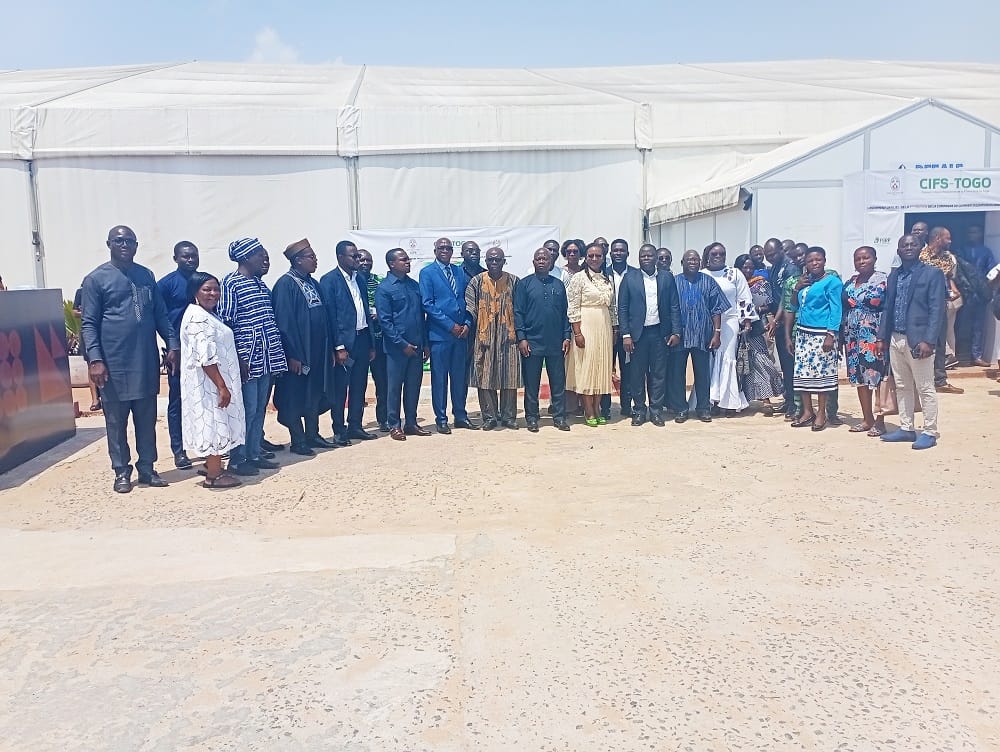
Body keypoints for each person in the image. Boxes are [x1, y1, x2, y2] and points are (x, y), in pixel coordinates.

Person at [80, 225, 178, 493]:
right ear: (109, 244)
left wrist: (172, 343)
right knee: (116, 422)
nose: (124, 245)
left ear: (136, 246)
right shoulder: (96, 279)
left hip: (145, 361)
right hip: (113, 364)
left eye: (130, 241)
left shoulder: (146, 276)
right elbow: (89, 323)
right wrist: (95, 360)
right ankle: (121, 471)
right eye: (119, 241)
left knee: (146, 421)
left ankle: (147, 468)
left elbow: (160, 314)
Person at [218, 238, 288, 475]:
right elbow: (226, 324)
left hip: (266, 357)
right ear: (246, 258)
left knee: (259, 408)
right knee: (245, 409)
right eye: (261, 257)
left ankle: (254, 453)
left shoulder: (260, 285)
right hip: (246, 358)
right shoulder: (231, 284)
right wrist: (238, 358)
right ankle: (237, 459)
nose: (265, 261)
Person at [876, 234, 945, 450]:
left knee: (925, 387)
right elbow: (887, 307)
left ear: (921, 248)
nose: (908, 248)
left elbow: (937, 310)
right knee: (902, 385)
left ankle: (929, 431)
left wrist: (929, 340)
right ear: (898, 251)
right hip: (896, 337)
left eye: (913, 244)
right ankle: (906, 428)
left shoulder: (932, 274)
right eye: (904, 245)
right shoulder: (894, 275)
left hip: (919, 340)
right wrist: (881, 337)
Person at [179, 272, 245, 489]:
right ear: (195, 292)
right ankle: (214, 476)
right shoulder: (198, 318)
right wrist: (222, 386)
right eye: (207, 289)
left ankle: (212, 467)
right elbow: (205, 357)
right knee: (214, 423)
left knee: (216, 421)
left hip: (213, 380)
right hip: (209, 383)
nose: (213, 294)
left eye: (216, 289)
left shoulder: (206, 314)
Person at [271, 239, 336, 456]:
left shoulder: (313, 283)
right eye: (311, 257)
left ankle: (312, 434)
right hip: (299, 353)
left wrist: (329, 349)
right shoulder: (285, 284)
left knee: (314, 394)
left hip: (317, 351)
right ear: (298, 260)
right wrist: (292, 354)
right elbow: (284, 323)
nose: (315, 261)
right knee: (295, 396)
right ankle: (298, 440)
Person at [319, 240, 376, 445]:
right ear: (340, 257)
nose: (358, 259)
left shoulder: (359, 278)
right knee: (340, 388)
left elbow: (365, 311)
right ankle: (339, 430)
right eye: (354, 256)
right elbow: (331, 317)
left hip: (362, 339)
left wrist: (371, 344)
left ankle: (355, 426)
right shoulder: (329, 281)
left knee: (359, 386)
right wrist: (338, 346)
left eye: (358, 255)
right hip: (344, 344)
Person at [419, 237, 478, 434]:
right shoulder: (427, 273)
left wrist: (467, 323)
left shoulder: (458, 271)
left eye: (448, 248)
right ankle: (441, 419)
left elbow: (467, 299)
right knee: (440, 379)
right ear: (435, 251)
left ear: (453, 251)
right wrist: (450, 325)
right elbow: (427, 304)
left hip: (461, 335)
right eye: (441, 248)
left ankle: (460, 416)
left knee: (459, 378)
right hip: (440, 335)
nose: (445, 250)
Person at [618, 243, 680, 426]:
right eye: (643, 256)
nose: (646, 258)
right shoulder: (630, 278)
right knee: (637, 374)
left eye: (649, 255)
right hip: (638, 335)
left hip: (660, 333)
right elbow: (622, 308)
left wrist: (676, 331)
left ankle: (656, 411)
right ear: (638, 258)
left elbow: (674, 306)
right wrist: (625, 335)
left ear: (656, 258)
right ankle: (639, 410)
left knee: (658, 374)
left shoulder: (666, 278)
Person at [784, 247, 843, 431]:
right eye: (810, 261)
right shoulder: (805, 281)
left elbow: (836, 309)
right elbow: (793, 306)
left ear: (824, 260)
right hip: (803, 333)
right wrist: (797, 288)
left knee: (821, 376)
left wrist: (831, 335)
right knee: (803, 374)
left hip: (822, 334)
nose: (814, 263)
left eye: (818, 259)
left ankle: (822, 413)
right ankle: (808, 411)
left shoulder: (832, 282)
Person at [514, 248, 572, 432]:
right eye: (538, 259)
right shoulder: (524, 284)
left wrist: (567, 336)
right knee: (532, 383)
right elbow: (518, 313)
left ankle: (559, 417)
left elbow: (565, 313)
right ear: (533, 262)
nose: (541, 261)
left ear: (550, 262)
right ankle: (532, 417)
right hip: (532, 342)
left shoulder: (559, 285)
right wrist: (522, 338)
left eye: (545, 259)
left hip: (556, 342)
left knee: (558, 382)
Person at [376, 248, 430, 441]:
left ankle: (411, 423)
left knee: (413, 386)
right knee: (394, 388)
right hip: (396, 350)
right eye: (403, 259)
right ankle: (394, 425)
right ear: (392, 264)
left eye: (408, 259)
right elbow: (385, 322)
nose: (408, 262)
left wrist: (425, 343)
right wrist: (402, 344)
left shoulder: (413, 285)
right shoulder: (384, 289)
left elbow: (421, 317)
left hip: (416, 346)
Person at [464, 248, 521, 429]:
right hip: (484, 338)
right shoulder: (476, 282)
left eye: (497, 260)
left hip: (508, 338)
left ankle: (509, 417)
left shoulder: (514, 281)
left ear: (504, 261)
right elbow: (470, 309)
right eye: (490, 260)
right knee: (484, 377)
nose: (494, 263)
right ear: (486, 261)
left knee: (510, 377)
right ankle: (489, 417)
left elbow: (521, 310)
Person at [670, 250, 729, 422]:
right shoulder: (674, 282)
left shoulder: (708, 281)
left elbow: (716, 309)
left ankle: (703, 408)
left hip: (703, 335)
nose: (692, 262)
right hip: (680, 336)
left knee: (703, 374)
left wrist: (717, 333)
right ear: (682, 263)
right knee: (677, 374)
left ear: (700, 262)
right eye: (689, 259)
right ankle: (681, 409)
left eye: (696, 259)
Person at [156, 241, 200, 469]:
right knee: (178, 402)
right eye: (186, 256)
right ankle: (179, 450)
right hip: (179, 352)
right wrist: (172, 347)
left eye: (194, 256)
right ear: (175, 258)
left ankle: (206, 445)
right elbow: (160, 317)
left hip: (202, 350)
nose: (191, 260)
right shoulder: (166, 284)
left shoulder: (203, 281)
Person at [566, 243, 618, 426]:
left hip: (604, 327)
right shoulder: (578, 278)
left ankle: (597, 408)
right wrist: (577, 333)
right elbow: (573, 307)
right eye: (591, 256)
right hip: (586, 326)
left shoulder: (607, 279)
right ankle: (588, 411)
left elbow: (612, 307)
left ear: (603, 258)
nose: (594, 259)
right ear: (585, 258)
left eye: (598, 256)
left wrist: (614, 328)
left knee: (601, 368)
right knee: (587, 369)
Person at [701, 242, 755, 415]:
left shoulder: (734, 273)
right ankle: (712, 401)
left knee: (728, 359)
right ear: (708, 256)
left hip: (730, 322)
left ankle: (729, 402)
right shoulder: (702, 274)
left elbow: (744, 297)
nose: (718, 257)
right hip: (708, 324)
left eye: (722, 254)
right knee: (710, 361)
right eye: (714, 254)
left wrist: (746, 322)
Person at [842, 246, 888, 436]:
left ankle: (880, 420)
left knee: (877, 377)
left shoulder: (883, 280)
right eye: (857, 258)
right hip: (852, 336)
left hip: (873, 335)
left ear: (874, 259)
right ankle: (867, 418)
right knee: (859, 378)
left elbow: (888, 309)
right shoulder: (850, 282)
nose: (861, 261)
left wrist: (882, 337)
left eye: (866, 257)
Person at [734, 254, 785, 414]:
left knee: (761, 361)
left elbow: (770, 304)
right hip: (734, 329)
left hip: (755, 328)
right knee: (741, 365)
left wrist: (756, 309)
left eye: (751, 267)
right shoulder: (732, 283)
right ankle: (739, 400)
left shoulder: (760, 283)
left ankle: (769, 398)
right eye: (745, 267)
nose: (748, 270)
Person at [763, 237, 800, 417]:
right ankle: (788, 399)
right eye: (767, 255)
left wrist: (776, 320)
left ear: (781, 250)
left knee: (791, 364)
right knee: (785, 365)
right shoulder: (774, 267)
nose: (770, 257)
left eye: (773, 254)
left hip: (789, 322)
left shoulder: (790, 268)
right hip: (779, 321)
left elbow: (787, 299)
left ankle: (795, 404)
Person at [358, 249, 389, 432]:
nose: (365, 263)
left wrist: (380, 314)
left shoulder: (379, 282)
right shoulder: (351, 281)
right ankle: (355, 424)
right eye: (361, 259)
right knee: (358, 385)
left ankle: (383, 419)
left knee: (383, 383)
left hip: (379, 340)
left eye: (368, 260)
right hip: (359, 341)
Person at [604, 238, 635, 418]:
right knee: (605, 369)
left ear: (627, 253)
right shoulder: (602, 273)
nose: (618, 253)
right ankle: (604, 407)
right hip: (606, 329)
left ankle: (626, 406)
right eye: (615, 250)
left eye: (621, 250)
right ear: (610, 253)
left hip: (628, 331)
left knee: (628, 369)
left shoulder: (635, 274)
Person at [956, 224, 995, 367]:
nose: (972, 235)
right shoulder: (960, 251)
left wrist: (987, 287)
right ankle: (960, 355)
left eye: (975, 232)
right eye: (970, 232)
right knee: (961, 325)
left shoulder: (986, 252)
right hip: (965, 292)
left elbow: (992, 271)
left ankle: (976, 355)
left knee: (978, 326)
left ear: (980, 234)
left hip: (980, 294)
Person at [560, 239, 586, 414]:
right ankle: (568, 404)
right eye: (569, 251)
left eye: (575, 251)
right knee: (567, 365)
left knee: (583, 362)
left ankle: (584, 403)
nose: (572, 254)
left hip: (585, 322)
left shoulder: (587, 271)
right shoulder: (562, 273)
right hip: (566, 321)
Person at [72, 286, 102, 412]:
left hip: (105, 331)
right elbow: (74, 312)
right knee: (91, 364)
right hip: (88, 332)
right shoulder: (81, 292)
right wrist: (88, 313)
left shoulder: (103, 289)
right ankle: (95, 399)